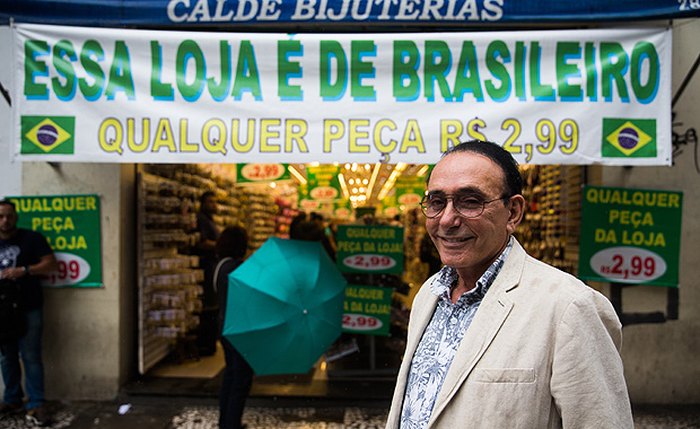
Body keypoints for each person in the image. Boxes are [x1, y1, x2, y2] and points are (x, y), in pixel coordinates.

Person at [385, 141, 633, 428]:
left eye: (470, 201)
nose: (448, 219)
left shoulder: (569, 307)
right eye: (437, 202)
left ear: (513, 212)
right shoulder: (428, 295)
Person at [0, 199, 58, 426]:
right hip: (2, 311)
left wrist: (24, 270)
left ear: (16, 216)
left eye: (9, 215)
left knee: (31, 355)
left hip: (28, 306)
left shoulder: (32, 238)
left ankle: (36, 403)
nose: (5, 221)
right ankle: (12, 399)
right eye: (1, 216)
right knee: (7, 357)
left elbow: (51, 264)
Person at [214, 226, 254, 429]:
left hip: (226, 327)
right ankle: (231, 424)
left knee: (231, 376)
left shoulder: (221, 265)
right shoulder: (237, 268)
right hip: (240, 331)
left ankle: (226, 422)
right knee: (241, 380)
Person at [195, 190, 221, 356]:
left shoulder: (210, 220)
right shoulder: (202, 220)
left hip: (211, 267)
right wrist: (220, 245)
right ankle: (206, 344)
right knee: (209, 306)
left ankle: (209, 342)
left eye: (215, 201)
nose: (214, 205)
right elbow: (202, 242)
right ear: (203, 203)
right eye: (210, 201)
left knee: (212, 305)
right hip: (205, 268)